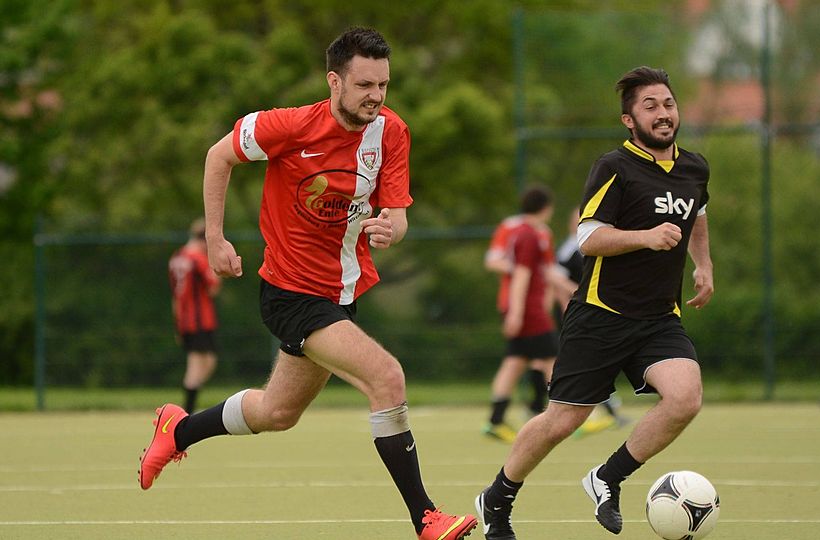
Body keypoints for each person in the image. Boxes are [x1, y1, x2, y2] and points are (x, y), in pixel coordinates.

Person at [138, 27, 476, 540]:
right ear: (334, 81)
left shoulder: (391, 132)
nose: (376, 96)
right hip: (292, 293)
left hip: (340, 295)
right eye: (365, 85)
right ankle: (426, 518)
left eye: (384, 85)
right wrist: (214, 240)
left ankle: (177, 429)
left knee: (277, 412)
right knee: (387, 377)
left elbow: (399, 215)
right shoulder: (289, 126)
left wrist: (391, 228)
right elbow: (218, 157)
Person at [475, 66, 714, 539]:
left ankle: (608, 476)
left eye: (668, 104)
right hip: (601, 315)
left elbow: (698, 213)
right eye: (650, 106)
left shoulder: (695, 167)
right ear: (629, 120)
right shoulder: (615, 167)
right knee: (563, 420)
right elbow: (587, 238)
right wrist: (646, 237)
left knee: (685, 398)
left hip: (659, 317)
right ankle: (497, 497)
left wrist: (703, 265)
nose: (663, 114)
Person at [482, 185, 560, 443]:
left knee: (516, 361)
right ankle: (562, 412)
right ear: (546, 208)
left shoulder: (541, 233)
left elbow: (547, 271)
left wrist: (556, 295)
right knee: (552, 359)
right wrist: (516, 308)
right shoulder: (519, 231)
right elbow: (500, 263)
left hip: (531, 305)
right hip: (524, 306)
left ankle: (499, 418)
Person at [554, 207, 630, 438]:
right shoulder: (569, 250)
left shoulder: (595, 245)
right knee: (584, 364)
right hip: (577, 313)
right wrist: (574, 301)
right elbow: (556, 282)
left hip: (595, 312)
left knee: (599, 361)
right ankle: (591, 413)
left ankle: (609, 412)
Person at [168, 217, 222, 414]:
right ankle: (186, 414)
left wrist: (177, 323)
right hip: (200, 321)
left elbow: (175, 294)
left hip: (184, 320)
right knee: (197, 367)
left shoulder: (177, 257)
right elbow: (213, 288)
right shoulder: (198, 259)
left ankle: (188, 408)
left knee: (206, 362)